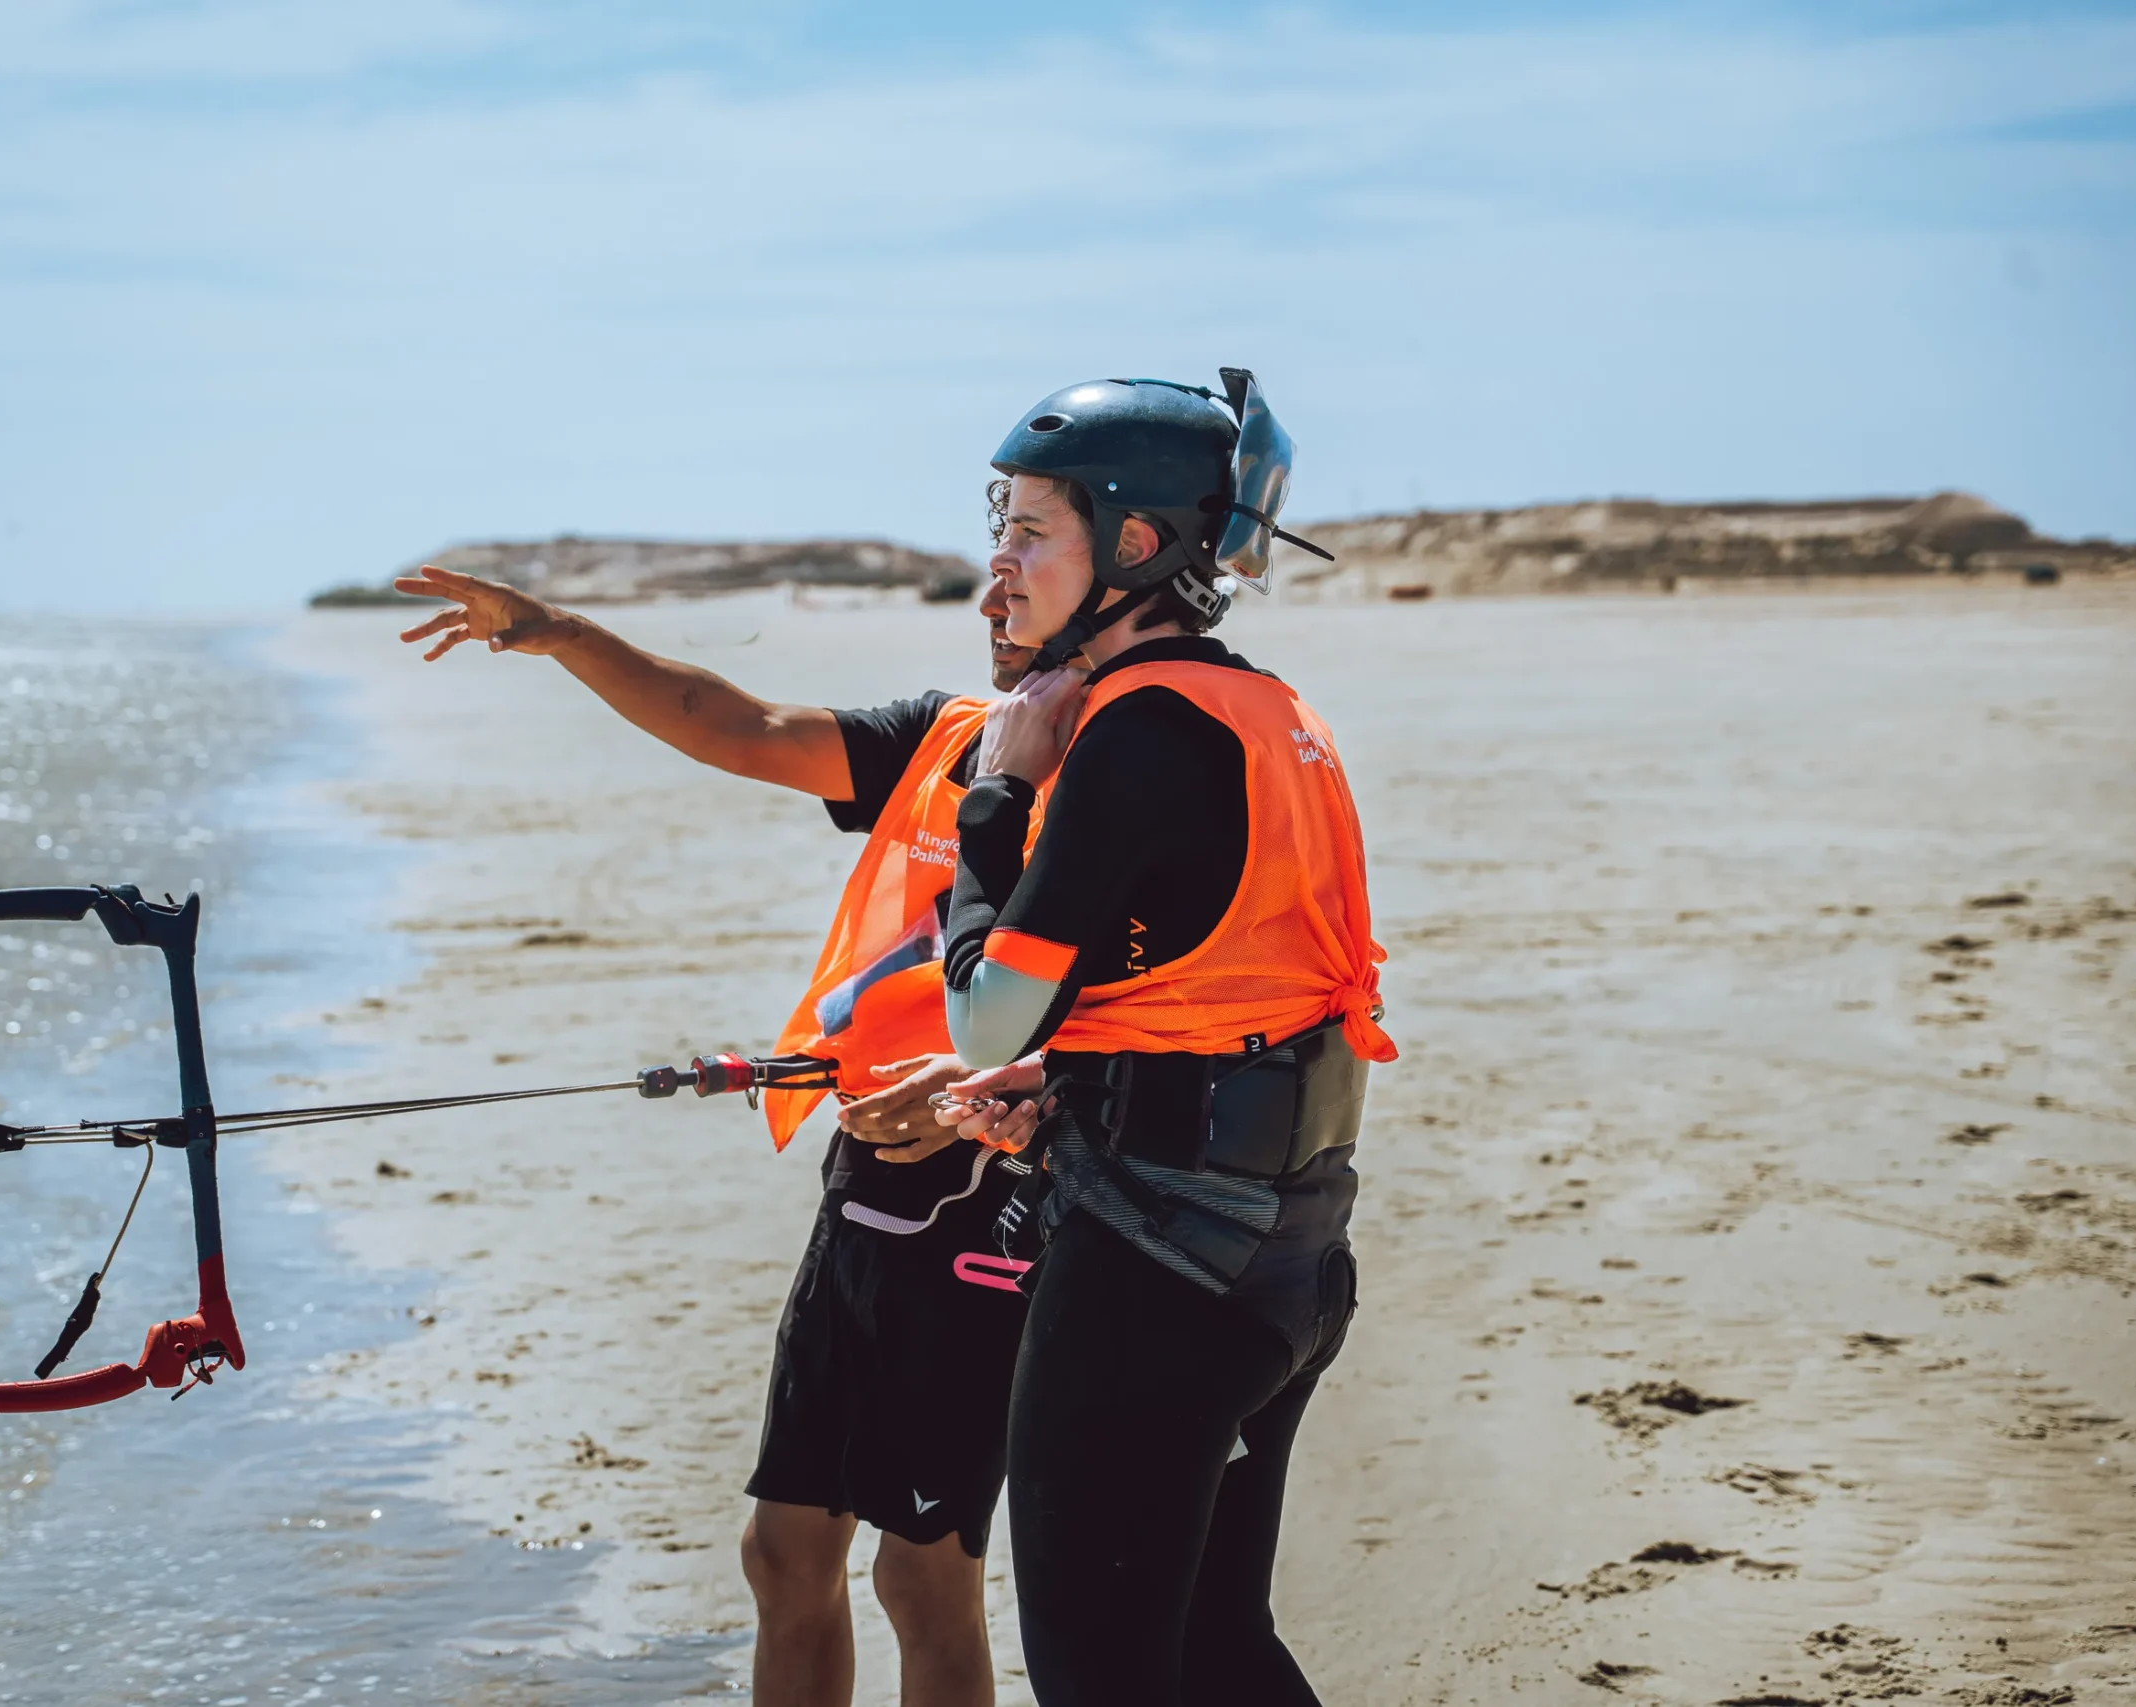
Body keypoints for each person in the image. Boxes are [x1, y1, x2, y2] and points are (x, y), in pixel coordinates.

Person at [390, 565, 1037, 1707]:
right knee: (785, 1555)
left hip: (997, 1200)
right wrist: (562, 633)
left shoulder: (1129, 775)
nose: (993, 601)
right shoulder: (948, 734)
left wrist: (1010, 1096)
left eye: (1028, 568)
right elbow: (740, 727)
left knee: (922, 1577)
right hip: (864, 1190)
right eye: (992, 573)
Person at [931, 371, 1396, 1705]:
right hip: (1291, 1251)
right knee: (1214, 1648)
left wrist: (995, 795)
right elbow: (1217, 969)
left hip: (1160, 1270)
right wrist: (1082, 1071)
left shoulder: (1134, 732)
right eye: (997, 526)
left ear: (1137, 546)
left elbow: (985, 1011)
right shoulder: (1271, 713)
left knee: (1103, 1675)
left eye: (1030, 529)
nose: (998, 568)